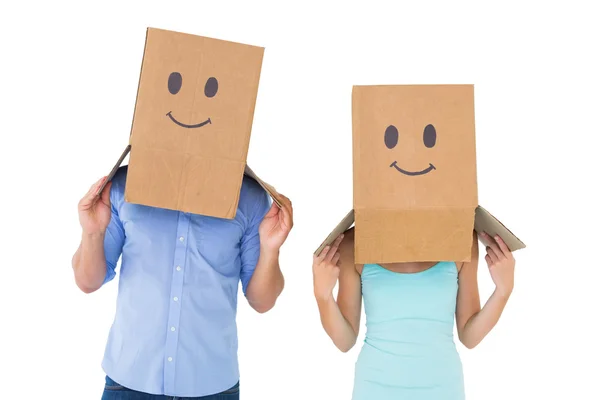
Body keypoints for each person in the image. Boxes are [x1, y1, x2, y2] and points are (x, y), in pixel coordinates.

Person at [73, 166, 293, 399]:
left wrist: (271, 249)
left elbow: (262, 301)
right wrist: (92, 233)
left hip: (212, 386)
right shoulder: (123, 185)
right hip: (130, 382)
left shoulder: (249, 196)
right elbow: (87, 281)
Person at [313, 228, 516, 400]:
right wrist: (323, 295)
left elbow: (469, 336)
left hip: (442, 388)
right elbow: (345, 340)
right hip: (375, 388)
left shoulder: (460, 235)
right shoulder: (354, 241)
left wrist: (503, 291)